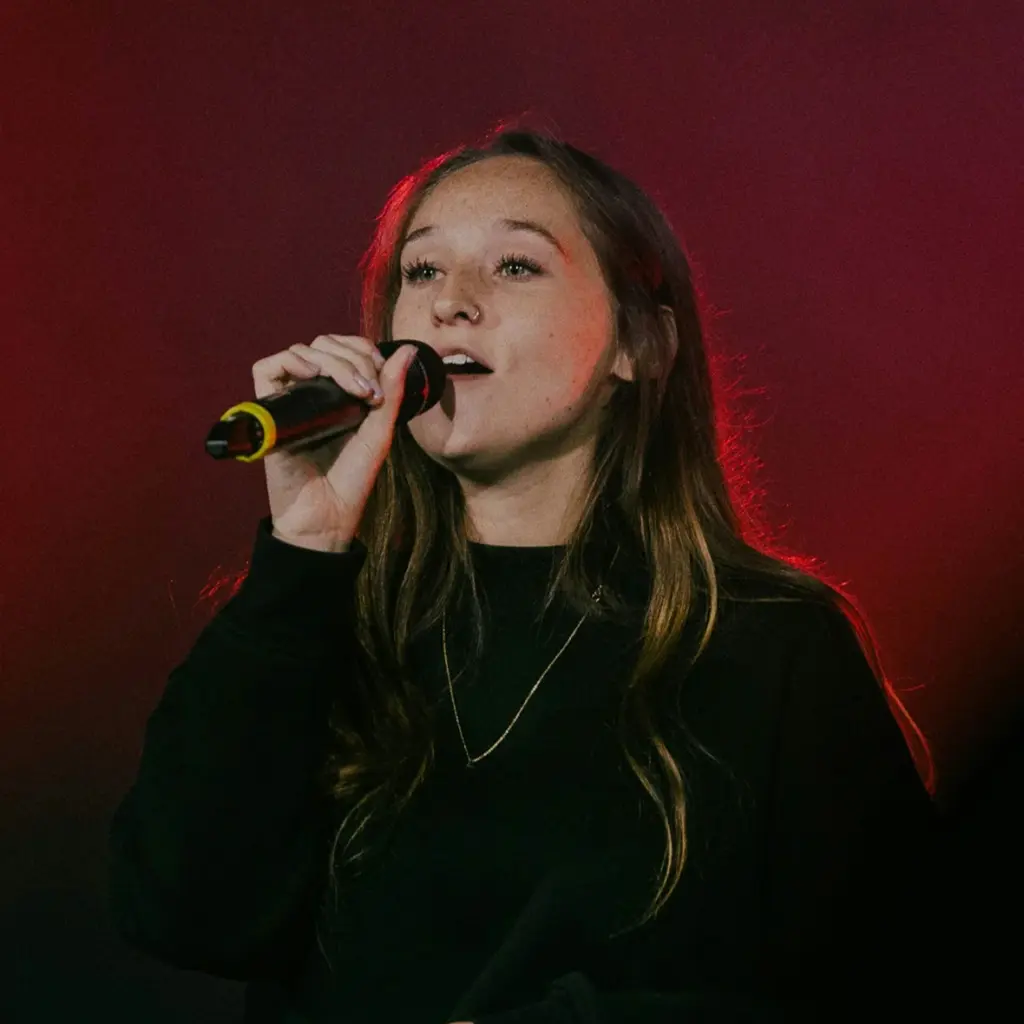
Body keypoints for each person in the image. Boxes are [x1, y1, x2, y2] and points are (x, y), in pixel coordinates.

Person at [108, 126, 937, 1023]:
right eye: (422, 271)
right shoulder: (320, 623)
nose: (450, 305)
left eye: (514, 266)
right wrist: (302, 555)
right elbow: (183, 915)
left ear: (641, 345)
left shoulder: (770, 644)